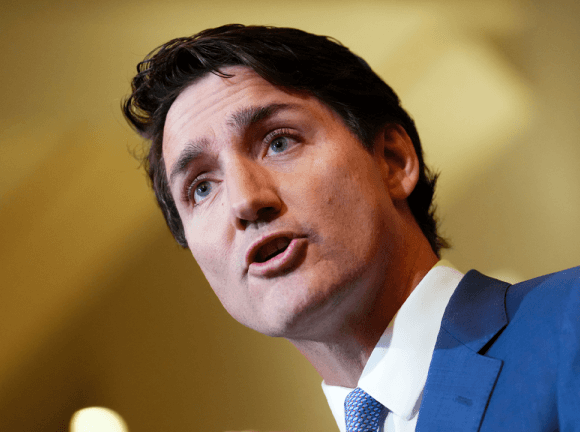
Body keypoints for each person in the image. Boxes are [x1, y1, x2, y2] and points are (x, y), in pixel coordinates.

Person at [122, 24, 580, 432]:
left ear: (392, 161)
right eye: (201, 188)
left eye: (278, 142)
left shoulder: (569, 326)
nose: (244, 201)